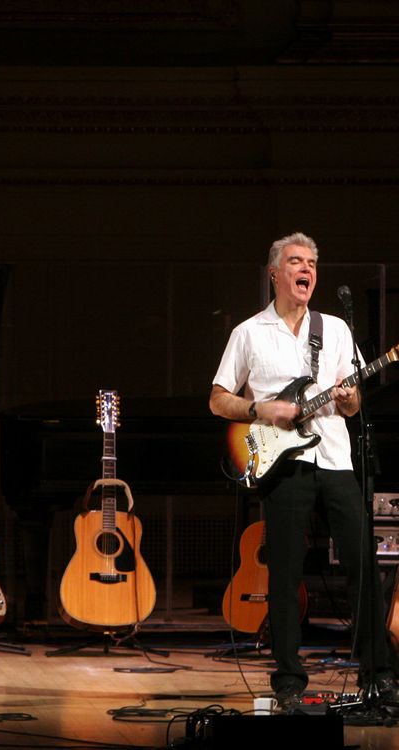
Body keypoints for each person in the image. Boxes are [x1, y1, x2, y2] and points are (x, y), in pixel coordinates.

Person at [209, 232, 395, 711]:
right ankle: (289, 680)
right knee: (285, 573)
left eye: (312, 262)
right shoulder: (249, 332)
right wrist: (260, 409)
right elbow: (217, 399)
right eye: (296, 261)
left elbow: (351, 408)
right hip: (284, 464)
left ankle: (380, 674)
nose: (306, 269)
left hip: (334, 458)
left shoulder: (334, 328)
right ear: (276, 272)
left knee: (362, 566)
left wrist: (352, 399)